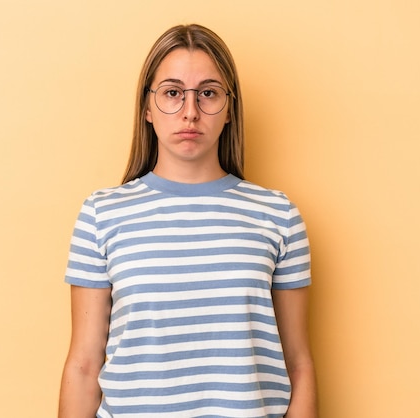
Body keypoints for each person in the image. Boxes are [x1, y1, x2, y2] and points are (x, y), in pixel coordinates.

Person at [58, 24, 317, 418]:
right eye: (173, 93)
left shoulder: (278, 215)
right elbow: (83, 365)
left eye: (208, 93)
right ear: (147, 107)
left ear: (230, 109)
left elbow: (298, 364)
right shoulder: (101, 214)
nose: (190, 112)